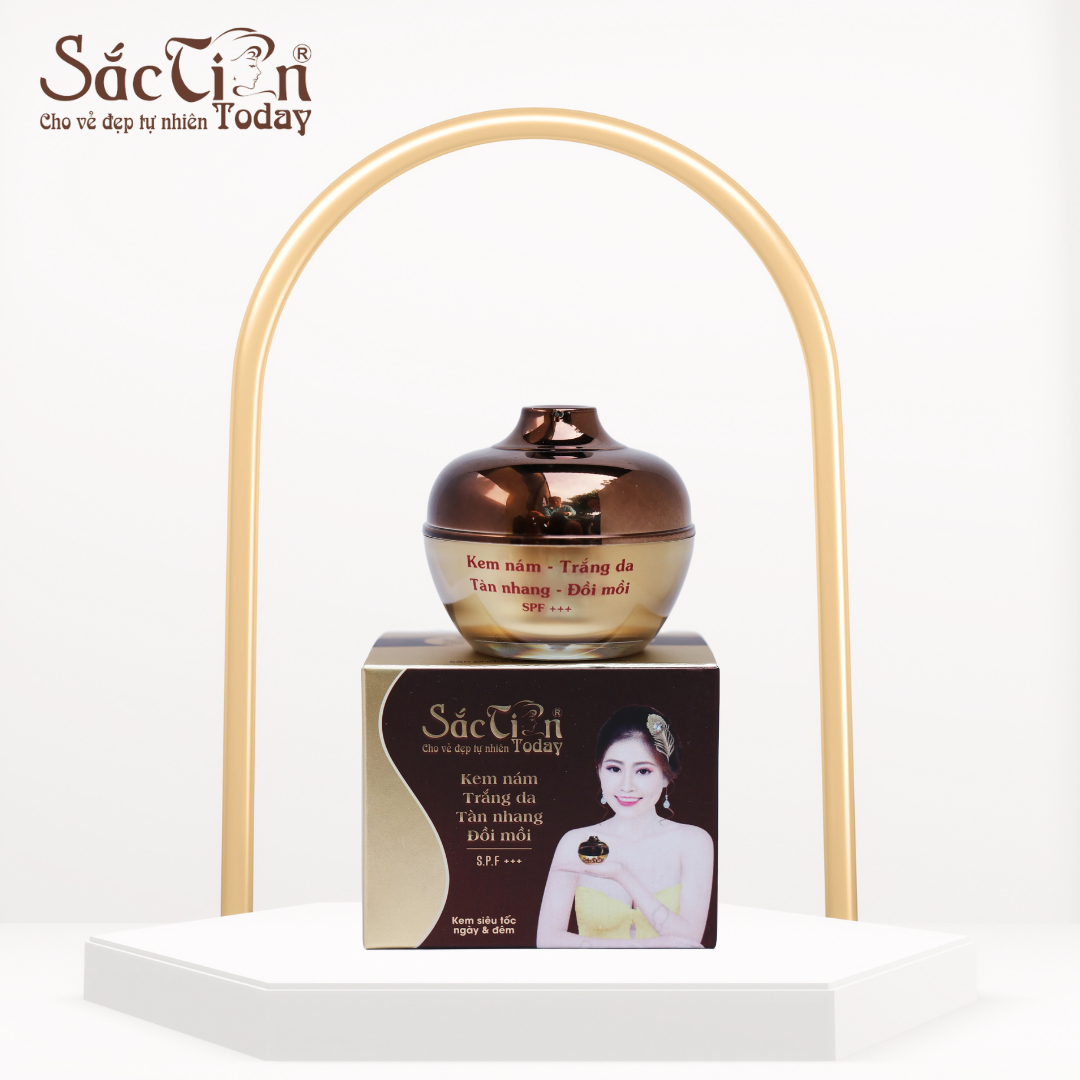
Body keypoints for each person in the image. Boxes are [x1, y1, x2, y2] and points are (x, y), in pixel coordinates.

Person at [536, 705, 714, 948]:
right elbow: (547, 941)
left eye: (643, 771)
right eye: (614, 769)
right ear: (599, 770)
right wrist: (644, 947)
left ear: (665, 775)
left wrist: (622, 876)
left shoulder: (693, 842)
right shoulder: (574, 843)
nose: (626, 786)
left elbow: (690, 940)